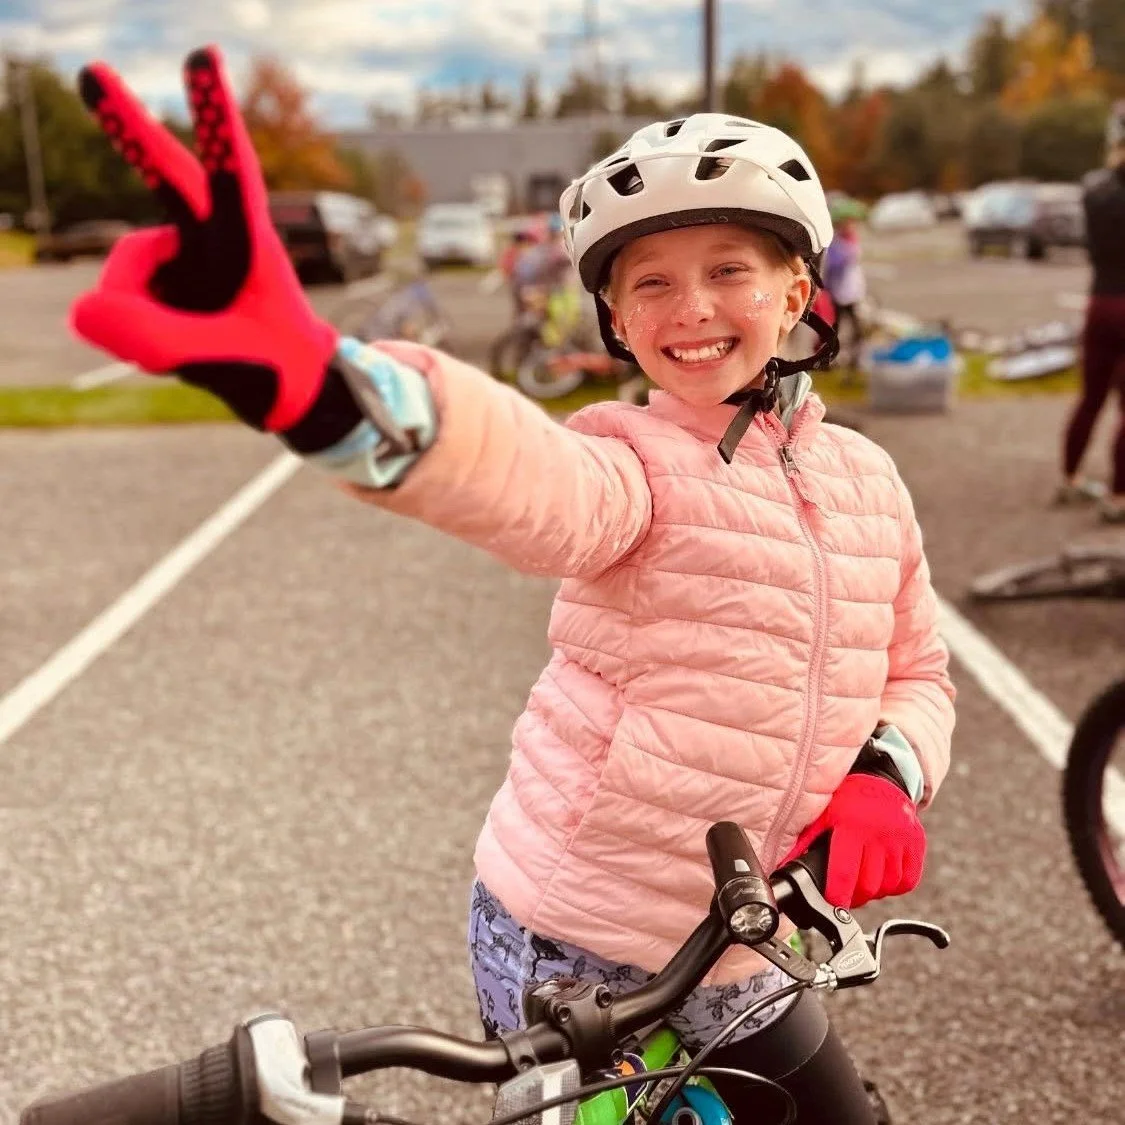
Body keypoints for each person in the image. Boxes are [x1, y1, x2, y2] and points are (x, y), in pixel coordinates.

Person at [70, 48, 955, 1125]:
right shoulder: (630, 465)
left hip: (744, 938)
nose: (693, 308)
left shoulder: (865, 477)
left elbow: (917, 667)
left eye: (729, 268)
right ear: (617, 323)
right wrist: (334, 390)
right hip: (574, 936)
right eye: (652, 284)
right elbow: (527, 482)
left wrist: (883, 771)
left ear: (797, 291)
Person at [1057, 100, 1125, 522]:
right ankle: (1119, 496)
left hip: (1099, 302)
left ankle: (1071, 477)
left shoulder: (1095, 191)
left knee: (1091, 399)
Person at [822, 204, 867, 375]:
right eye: (847, 223)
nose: (851, 226)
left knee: (856, 330)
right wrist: (845, 258)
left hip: (852, 293)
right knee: (835, 330)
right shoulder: (836, 243)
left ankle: (853, 360)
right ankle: (829, 359)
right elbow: (832, 267)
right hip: (839, 294)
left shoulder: (852, 240)